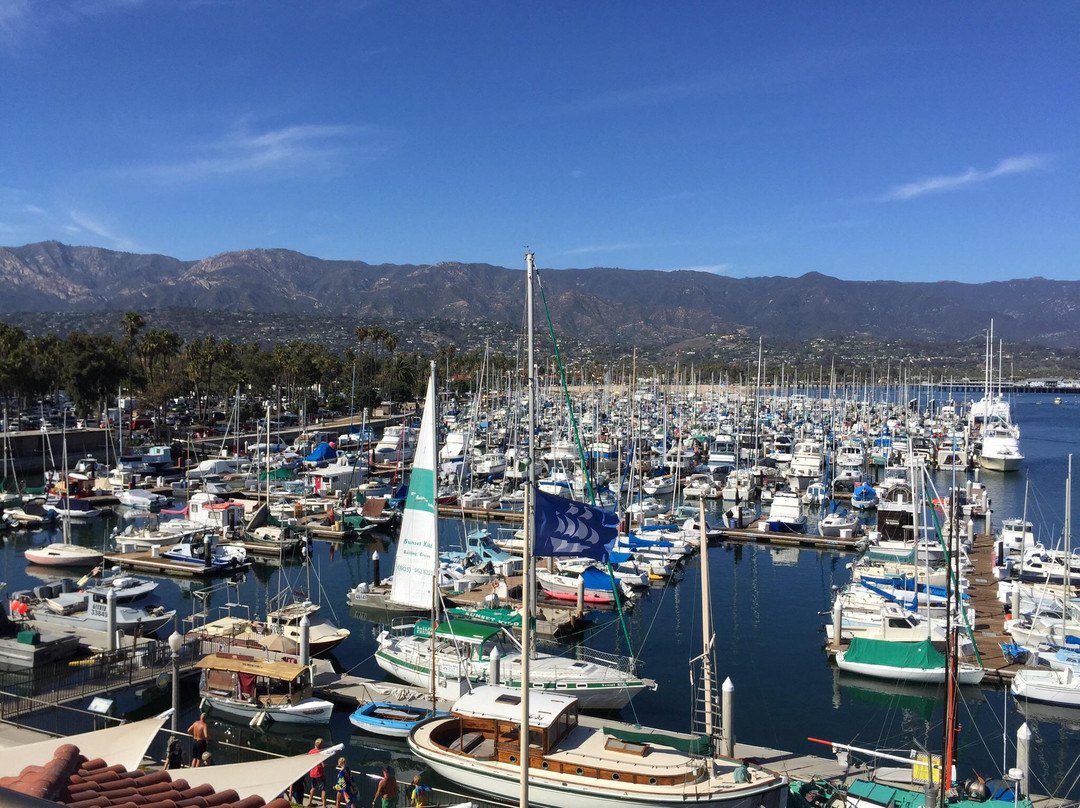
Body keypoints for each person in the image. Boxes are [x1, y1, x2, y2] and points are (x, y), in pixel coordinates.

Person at [306, 738, 328, 807]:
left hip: (312, 773)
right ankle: (324, 806)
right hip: (319, 773)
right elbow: (323, 765)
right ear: (320, 745)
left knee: (313, 787)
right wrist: (330, 766)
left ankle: (310, 802)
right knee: (323, 789)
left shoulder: (310, 752)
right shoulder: (320, 752)